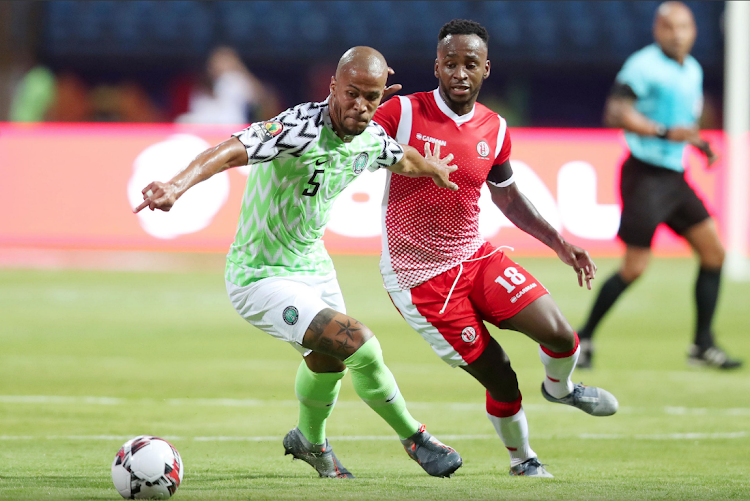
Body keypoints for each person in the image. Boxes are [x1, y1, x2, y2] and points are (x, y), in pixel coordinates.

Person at [134, 46, 463, 479]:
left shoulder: (370, 138)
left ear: (382, 97)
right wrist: (177, 186)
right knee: (358, 342)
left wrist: (430, 167)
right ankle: (415, 438)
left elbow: (400, 157)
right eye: (351, 93)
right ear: (333, 87)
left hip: (314, 267)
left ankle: (310, 441)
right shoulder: (296, 127)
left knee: (330, 360)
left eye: (371, 97)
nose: (360, 106)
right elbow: (231, 150)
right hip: (260, 275)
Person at [373, 19, 618, 478]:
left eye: (470, 64)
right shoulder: (403, 113)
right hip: (419, 278)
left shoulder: (495, 127)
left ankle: (561, 389)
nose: (460, 73)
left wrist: (558, 241)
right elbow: (352, 137)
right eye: (450, 64)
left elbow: (506, 195)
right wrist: (364, 109)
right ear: (436, 67)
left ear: (487, 69)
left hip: (474, 255)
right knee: (501, 374)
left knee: (563, 336)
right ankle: (522, 458)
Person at [577, 2, 742, 370]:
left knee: (714, 253)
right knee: (635, 268)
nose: (678, 34)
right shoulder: (642, 66)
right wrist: (664, 133)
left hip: (673, 176)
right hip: (645, 175)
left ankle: (702, 345)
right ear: (657, 30)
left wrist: (697, 143)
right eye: (670, 28)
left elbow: (681, 122)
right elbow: (615, 113)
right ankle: (583, 338)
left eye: (685, 27)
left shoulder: (692, 69)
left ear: (695, 30)